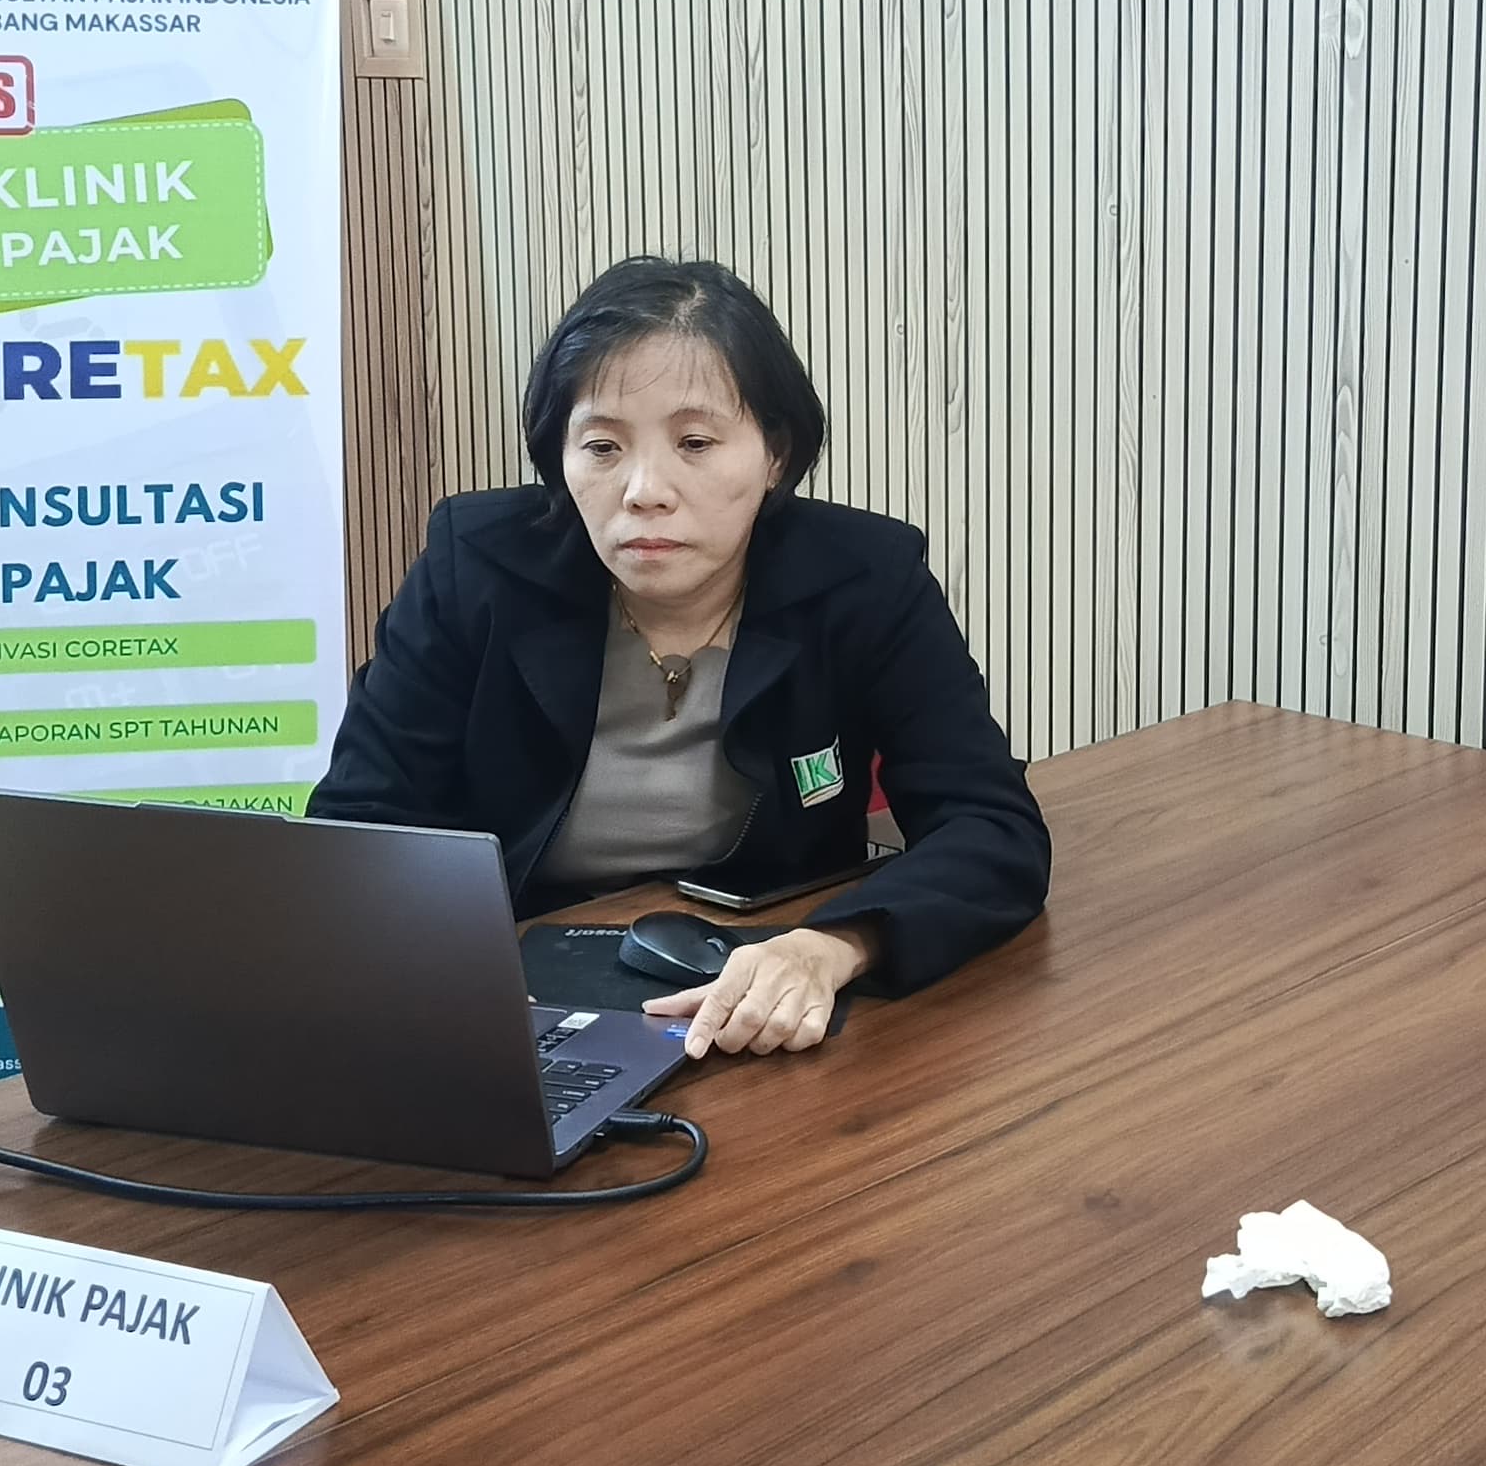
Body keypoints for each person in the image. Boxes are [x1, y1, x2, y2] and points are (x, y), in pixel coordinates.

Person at [310, 257, 1048, 1055]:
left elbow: (990, 825)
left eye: (695, 442)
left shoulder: (864, 580)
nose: (644, 490)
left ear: (775, 454)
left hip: (763, 976)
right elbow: (359, 828)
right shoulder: (476, 569)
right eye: (602, 447)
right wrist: (444, 964)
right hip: (510, 986)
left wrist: (834, 945)